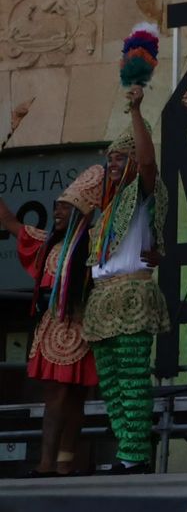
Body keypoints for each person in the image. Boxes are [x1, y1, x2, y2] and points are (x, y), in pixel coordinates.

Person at [80, 85, 169, 475]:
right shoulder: (107, 208)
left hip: (132, 292)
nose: (112, 164)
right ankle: (127, 449)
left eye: (121, 157)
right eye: (111, 158)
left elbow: (149, 164)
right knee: (112, 386)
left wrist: (136, 110)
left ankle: (134, 456)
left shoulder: (144, 193)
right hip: (102, 300)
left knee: (133, 380)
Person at [0, 169, 100, 476]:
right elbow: (9, 222)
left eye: (64, 207)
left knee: (76, 399)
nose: (56, 211)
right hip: (53, 328)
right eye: (56, 206)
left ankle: (65, 463)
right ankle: (46, 462)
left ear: (81, 213)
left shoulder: (97, 243)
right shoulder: (47, 244)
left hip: (85, 328)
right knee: (55, 397)